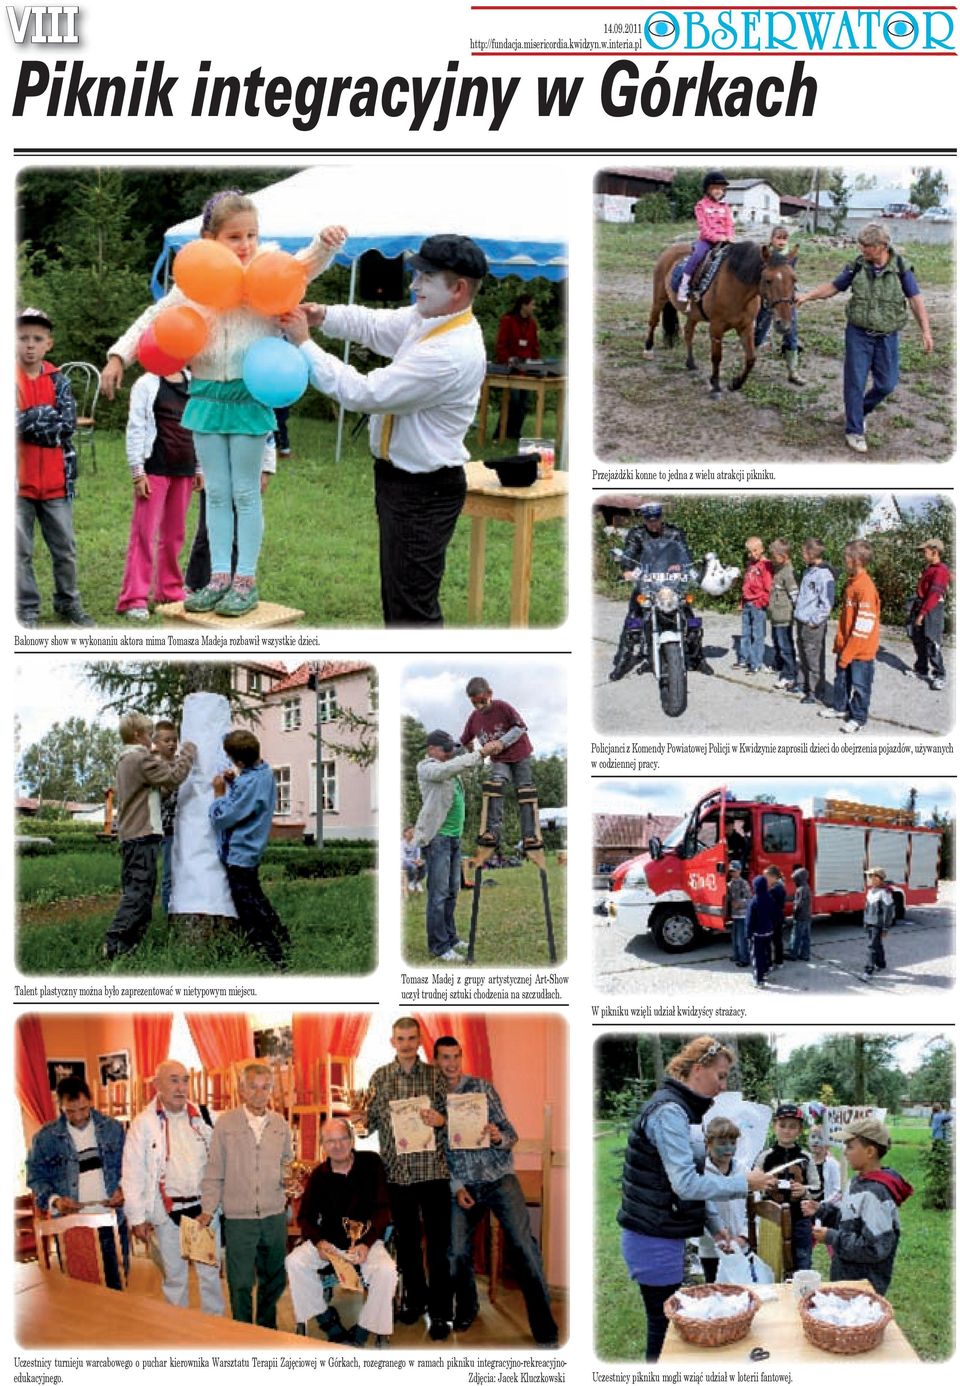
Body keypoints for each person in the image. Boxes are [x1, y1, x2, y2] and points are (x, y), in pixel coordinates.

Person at [102, 190, 346, 616]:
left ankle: (245, 579)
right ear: (209, 239)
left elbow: (304, 266)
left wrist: (324, 244)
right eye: (234, 236)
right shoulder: (193, 285)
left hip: (249, 397)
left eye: (252, 234)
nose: (246, 244)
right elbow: (153, 317)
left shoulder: (267, 270)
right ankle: (218, 578)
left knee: (245, 493)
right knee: (215, 493)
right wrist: (119, 355)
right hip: (207, 396)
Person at [281, 234, 488, 627]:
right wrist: (322, 315)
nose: (414, 286)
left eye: (426, 278)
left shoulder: (450, 352)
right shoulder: (429, 320)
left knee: (412, 611)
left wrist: (304, 345)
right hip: (402, 483)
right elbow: (375, 324)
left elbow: (365, 393)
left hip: (424, 490)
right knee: (400, 599)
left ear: (458, 289)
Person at [618, 1036, 777, 1361]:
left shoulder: (681, 1111)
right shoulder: (669, 1113)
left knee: (667, 1326)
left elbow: (690, 1179)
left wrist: (715, 1225)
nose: (722, 1087)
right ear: (698, 1068)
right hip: (651, 1239)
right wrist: (744, 1182)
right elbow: (686, 1185)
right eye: (720, 1076)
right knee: (662, 1331)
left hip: (662, 1235)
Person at [434, 1035, 559, 1346]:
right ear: (435, 1061)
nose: (451, 1064)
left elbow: (511, 1134)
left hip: (499, 1177)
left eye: (455, 1057)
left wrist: (496, 1136)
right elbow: (435, 1154)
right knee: (456, 1253)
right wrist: (455, 1186)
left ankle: (545, 1329)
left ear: (461, 1058)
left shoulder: (482, 1088)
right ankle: (468, 1306)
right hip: (463, 1185)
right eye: (444, 1058)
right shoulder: (431, 1100)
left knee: (523, 1247)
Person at [796, 222, 934, 453]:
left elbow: (915, 300)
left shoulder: (901, 267)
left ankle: (858, 411)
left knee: (887, 384)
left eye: (867, 246)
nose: (862, 249)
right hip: (858, 333)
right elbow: (833, 287)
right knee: (855, 382)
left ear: (882, 246)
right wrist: (807, 296)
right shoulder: (857, 266)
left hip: (887, 336)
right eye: (861, 245)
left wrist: (926, 331)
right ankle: (854, 430)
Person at [355, 1017, 452, 1339]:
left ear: (420, 1040)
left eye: (412, 1038)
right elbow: (367, 1125)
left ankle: (440, 1313)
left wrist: (442, 1120)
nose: (407, 1043)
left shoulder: (436, 1075)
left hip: (433, 1172)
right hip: (396, 1175)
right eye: (401, 1038)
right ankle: (416, 1302)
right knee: (408, 1246)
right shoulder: (379, 1077)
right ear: (392, 1041)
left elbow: (454, 1121)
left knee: (438, 1247)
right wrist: (358, 1120)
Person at [122, 1059, 224, 1316]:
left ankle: (215, 1328)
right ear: (157, 1085)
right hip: (166, 1213)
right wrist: (137, 1218)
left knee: (210, 1277)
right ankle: (179, 1331)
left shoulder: (204, 1117)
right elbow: (132, 1173)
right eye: (173, 1080)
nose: (181, 1087)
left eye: (185, 1080)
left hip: (202, 1211)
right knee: (175, 1279)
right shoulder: (143, 1124)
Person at [285, 1117, 396, 1346]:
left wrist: (366, 1242)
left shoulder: (371, 1163)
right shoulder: (318, 1175)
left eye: (342, 1139)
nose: (337, 1146)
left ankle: (363, 1330)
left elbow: (383, 1209)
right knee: (294, 1262)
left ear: (352, 1139)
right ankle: (327, 1321)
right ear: (323, 1145)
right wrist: (319, 1243)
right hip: (331, 1243)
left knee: (387, 1270)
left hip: (366, 1241)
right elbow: (305, 1217)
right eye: (330, 1141)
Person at [16, 306, 93, 628]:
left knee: (65, 550)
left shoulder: (59, 380)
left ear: (49, 343)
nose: (29, 345)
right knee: (18, 552)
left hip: (57, 484)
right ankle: (26, 608)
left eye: (37, 338)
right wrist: (39, 416)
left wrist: (27, 420)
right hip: (18, 486)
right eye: (22, 338)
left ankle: (68, 602)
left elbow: (65, 426)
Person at [198, 1063, 291, 1328]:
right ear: (241, 1089)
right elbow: (214, 1168)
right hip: (239, 1218)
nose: (260, 1094)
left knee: (274, 1279)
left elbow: (287, 1162)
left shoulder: (280, 1124)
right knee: (239, 1282)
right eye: (253, 1087)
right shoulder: (226, 1124)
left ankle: (265, 1328)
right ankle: (242, 1332)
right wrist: (207, 1209)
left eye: (266, 1087)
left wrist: (290, 1182)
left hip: (274, 1215)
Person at [102, 712, 197, 961]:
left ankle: (129, 947)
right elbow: (175, 777)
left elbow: (151, 795)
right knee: (138, 895)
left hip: (133, 835)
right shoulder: (140, 758)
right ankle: (114, 943)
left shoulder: (126, 760)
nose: (151, 740)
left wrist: (163, 791)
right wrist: (187, 752)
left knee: (140, 893)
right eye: (147, 733)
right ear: (137, 735)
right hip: (142, 835)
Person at [116, 368, 202, 618]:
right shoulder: (146, 383)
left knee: (174, 534)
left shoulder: (194, 381)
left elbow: (200, 424)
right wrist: (137, 471)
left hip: (184, 469)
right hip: (154, 468)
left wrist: (200, 466)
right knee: (144, 533)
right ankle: (134, 598)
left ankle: (170, 591)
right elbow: (136, 426)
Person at [26, 1076, 127, 1289]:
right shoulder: (45, 1138)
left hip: (109, 1219)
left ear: (90, 1100)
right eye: (70, 1111)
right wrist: (55, 1201)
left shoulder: (114, 1129)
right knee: (79, 1291)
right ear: (60, 1106)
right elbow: (35, 1176)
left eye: (83, 1108)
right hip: (70, 1224)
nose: (79, 1116)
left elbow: (131, 1168)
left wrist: (122, 1189)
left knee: (117, 1286)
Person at [801, 1117, 913, 1293]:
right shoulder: (858, 1182)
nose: (844, 1153)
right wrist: (822, 1210)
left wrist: (832, 1237)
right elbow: (849, 1219)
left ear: (870, 1151)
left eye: (850, 1147)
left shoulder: (875, 1194)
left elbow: (874, 1248)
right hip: (847, 1278)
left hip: (863, 1287)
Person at [209, 729, 289, 969]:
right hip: (252, 850)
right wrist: (235, 782)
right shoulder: (264, 772)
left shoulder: (249, 782)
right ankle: (283, 938)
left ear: (240, 762)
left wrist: (219, 794)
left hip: (240, 854)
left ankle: (272, 955)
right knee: (257, 898)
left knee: (248, 908)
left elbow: (224, 818)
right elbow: (248, 800)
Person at [609, 501, 713, 680]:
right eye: (649, 519)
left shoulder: (674, 532)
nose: (653, 523)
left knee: (691, 620)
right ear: (644, 519)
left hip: (671, 583)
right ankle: (623, 661)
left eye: (656, 519)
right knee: (632, 621)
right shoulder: (637, 534)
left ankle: (697, 658)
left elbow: (685, 556)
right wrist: (626, 570)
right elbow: (629, 553)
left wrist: (692, 572)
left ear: (661, 517)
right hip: (647, 583)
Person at [413, 730, 493, 962]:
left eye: (451, 748)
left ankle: (450, 938)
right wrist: (477, 753)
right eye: (445, 748)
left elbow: (464, 766)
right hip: (438, 838)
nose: (449, 752)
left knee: (451, 892)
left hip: (453, 839)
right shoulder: (427, 767)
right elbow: (449, 768)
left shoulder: (450, 770)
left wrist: (477, 752)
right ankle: (438, 946)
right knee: (437, 895)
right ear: (431, 749)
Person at [460, 676, 541, 852]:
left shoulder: (502, 707)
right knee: (495, 786)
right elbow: (465, 739)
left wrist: (501, 742)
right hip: (499, 760)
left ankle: (528, 835)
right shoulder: (474, 718)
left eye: (482, 701)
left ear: (489, 693)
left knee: (525, 790)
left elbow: (520, 727)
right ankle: (492, 832)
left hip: (520, 754)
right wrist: (470, 752)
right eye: (475, 704)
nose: (479, 707)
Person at [819, 539, 880, 735]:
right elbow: (847, 618)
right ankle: (840, 707)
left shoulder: (865, 588)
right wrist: (840, 642)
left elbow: (863, 627)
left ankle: (858, 717)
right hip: (847, 645)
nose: (843, 560)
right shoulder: (851, 583)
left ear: (856, 560)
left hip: (860, 650)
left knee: (860, 686)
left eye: (846, 557)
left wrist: (849, 652)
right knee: (842, 679)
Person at [753, 1104, 818, 1271]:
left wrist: (804, 1190)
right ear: (775, 1126)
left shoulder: (806, 1158)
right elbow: (754, 1184)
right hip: (771, 1219)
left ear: (800, 1130)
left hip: (800, 1219)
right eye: (782, 1126)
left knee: (802, 1262)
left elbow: (817, 1187)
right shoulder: (764, 1157)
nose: (787, 1131)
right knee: (770, 1264)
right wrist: (765, 1186)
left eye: (792, 1126)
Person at [696, 1116, 749, 1284]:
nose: (728, 1148)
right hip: (711, 1251)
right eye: (722, 1143)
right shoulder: (700, 1173)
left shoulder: (744, 1170)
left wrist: (743, 1237)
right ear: (708, 1143)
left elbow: (754, 1209)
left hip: (742, 1249)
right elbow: (697, 1211)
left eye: (733, 1143)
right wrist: (717, 1241)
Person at [754, 225, 805, 384]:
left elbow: (789, 279)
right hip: (769, 300)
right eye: (778, 238)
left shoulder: (791, 257)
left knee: (791, 333)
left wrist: (794, 293)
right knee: (759, 332)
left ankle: (793, 370)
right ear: (771, 239)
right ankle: (750, 360)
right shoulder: (765, 256)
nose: (782, 241)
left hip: (786, 301)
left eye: (785, 238)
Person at [677, 172, 734, 308]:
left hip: (726, 241)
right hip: (707, 241)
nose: (718, 191)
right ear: (707, 189)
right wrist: (717, 238)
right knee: (697, 256)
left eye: (721, 188)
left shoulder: (725, 207)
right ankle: (684, 287)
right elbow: (704, 228)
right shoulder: (701, 206)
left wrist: (729, 237)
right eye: (715, 188)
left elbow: (729, 225)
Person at [790, 538, 835, 705]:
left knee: (813, 657)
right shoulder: (808, 571)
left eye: (803, 553)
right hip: (802, 619)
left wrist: (814, 621)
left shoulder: (824, 575)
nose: (802, 556)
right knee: (802, 653)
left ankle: (816, 691)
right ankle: (803, 683)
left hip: (812, 623)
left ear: (811, 554)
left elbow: (827, 603)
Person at [906, 537, 951, 692]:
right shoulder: (929, 568)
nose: (923, 554)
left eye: (925, 551)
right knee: (918, 639)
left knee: (932, 642)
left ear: (935, 552)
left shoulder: (941, 571)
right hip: (922, 604)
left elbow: (934, 595)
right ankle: (921, 669)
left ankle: (939, 675)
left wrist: (922, 614)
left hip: (932, 608)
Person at [494, 293, 541, 437]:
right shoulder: (508, 320)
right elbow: (501, 344)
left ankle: (515, 433)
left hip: (526, 368)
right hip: (512, 367)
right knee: (513, 401)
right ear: (524, 305)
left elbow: (534, 346)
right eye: (532, 304)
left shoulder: (532, 324)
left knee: (523, 403)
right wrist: (507, 359)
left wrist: (536, 363)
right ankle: (500, 433)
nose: (534, 307)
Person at [153, 719, 181, 914]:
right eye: (166, 740)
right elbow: (159, 795)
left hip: (185, 826)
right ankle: (167, 914)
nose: (171, 744)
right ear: (157, 743)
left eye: (174, 740)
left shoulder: (181, 763)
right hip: (166, 828)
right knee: (169, 874)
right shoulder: (154, 766)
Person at [738, 536, 773, 675]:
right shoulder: (750, 565)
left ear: (762, 549)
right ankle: (744, 658)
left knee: (757, 634)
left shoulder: (766, 565)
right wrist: (742, 601)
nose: (752, 554)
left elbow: (768, 587)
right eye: (749, 551)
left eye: (754, 550)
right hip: (747, 603)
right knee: (745, 632)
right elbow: (746, 584)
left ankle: (756, 662)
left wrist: (761, 602)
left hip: (757, 604)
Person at [768, 539, 799, 690]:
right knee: (777, 643)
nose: (772, 559)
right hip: (775, 616)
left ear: (783, 555)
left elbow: (794, 594)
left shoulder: (788, 572)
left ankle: (789, 675)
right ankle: (779, 665)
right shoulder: (779, 569)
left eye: (774, 556)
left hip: (784, 617)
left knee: (785, 646)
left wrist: (797, 612)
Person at [861, 867, 895, 981]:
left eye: (871, 876)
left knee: (871, 946)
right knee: (877, 945)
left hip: (878, 924)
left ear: (878, 878)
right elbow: (867, 908)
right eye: (869, 876)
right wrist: (865, 921)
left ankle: (868, 971)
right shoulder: (871, 891)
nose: (869, 878)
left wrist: (886, 928)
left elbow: (888, 911)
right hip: (870, 922)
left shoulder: (885, 892)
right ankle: (881, 964)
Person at [746, 873, 774, 989]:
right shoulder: (770, 898)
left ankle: (759, 980)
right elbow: (775, 914)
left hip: (757, 934)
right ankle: (766, 972)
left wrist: (748, 934)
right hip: (769, 931)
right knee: (767, 952)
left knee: (758, 956)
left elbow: (749, 920)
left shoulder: (754, 901)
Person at [807, 1127, 842, 1206]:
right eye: (813, 1137)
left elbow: (838, 1191)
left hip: (825, 1210)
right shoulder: (806, 1161)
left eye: (820, 1138)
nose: (815, 1141)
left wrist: (821, 1205)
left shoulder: (832, 1164)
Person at [726, 860, 751, 968]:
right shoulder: (729, 884)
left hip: (742, 914)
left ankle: (745, 959)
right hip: (734, 915)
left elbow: (750, 899)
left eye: (735, 871)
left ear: (740, 870)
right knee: (735, 937)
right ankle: (736, 955)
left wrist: (740, 903)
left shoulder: (743, 883)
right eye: (731, 871)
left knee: (742, 938)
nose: (733, 873)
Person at [787, 866, 813, 962]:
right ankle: (805, 955)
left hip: (800, 917)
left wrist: (794, 914)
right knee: (806, 937)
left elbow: (799, 904)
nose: (795, 882)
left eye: (795, 880)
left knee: (796, 935)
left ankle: (793, 954)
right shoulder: (806, 887)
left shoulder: (800, 889)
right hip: (807, 916)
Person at [764, 864, 787, 969]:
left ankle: (770, 963)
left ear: (773, 877)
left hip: (773, 918)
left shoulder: (775, 889)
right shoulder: (779, 886)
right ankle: (779, 961)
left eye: (766, 877)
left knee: (771, 941)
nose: (765, 879)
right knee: (778, 940)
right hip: (778, 917)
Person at [402, 825, 426, 894]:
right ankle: (411, 881)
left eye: (413, 832)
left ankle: (416, 882)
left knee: (424, 864)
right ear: (405, 833)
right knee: (412, 866)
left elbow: (418, 855)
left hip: (414, 862)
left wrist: (419, 860)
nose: (412, 834)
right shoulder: (402, 844)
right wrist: (413, 861)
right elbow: (403, 858)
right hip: (405, 863)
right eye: (410, 832)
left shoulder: (416, 843)